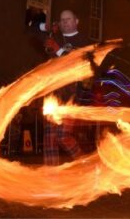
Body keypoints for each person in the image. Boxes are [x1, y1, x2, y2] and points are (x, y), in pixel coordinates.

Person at [41, 10, 92, 165]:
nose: (64, 22)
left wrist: (58, 49)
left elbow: (74, 63)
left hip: (73, 93)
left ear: (76, 21)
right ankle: (51, 176)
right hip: (55, 92)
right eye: (62, 20)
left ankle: (84, 163)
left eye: (68, 19)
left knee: (63, 135)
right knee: (49, 137)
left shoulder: (84, 41)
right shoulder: (56, 37)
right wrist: (49, 43)